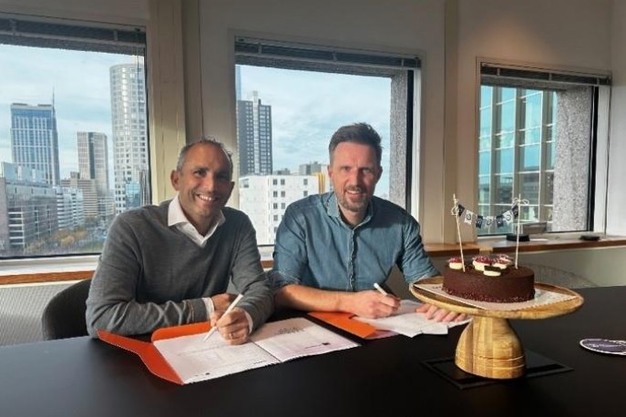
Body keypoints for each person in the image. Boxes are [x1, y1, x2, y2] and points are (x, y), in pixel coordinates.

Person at [86, 138, 273, 345]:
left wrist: (245, 315)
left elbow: (259, 289)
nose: (211, 186)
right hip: (142, 351)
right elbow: (101, 318)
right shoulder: (132, 227)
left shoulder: (238, 225)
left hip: (209, 347)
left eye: (221, 177)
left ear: (230, 188)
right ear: (176, 180)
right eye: (199, 172)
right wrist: (205, 308)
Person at [269, 123, 463, 322]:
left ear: (378, 174)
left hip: (375, 328)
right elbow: (281, 292)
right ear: (331, 172)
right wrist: (350, 302)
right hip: (310, 327)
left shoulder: (402, 224)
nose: (355, 181)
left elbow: (427, 283)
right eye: (345, 169)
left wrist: (444, 300)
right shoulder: (299, 217)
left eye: (366, 170)